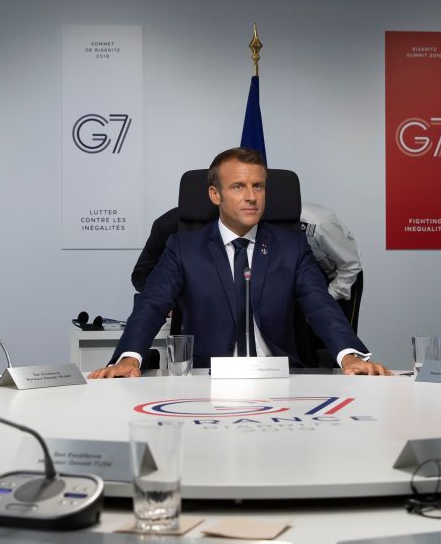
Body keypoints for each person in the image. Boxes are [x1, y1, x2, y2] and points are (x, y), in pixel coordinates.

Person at [91, 147, 389, 377]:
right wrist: (129, 358)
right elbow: (151, 305)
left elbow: (321, 306)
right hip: (206, 379)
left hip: (281, 380)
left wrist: (350, 356)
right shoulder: (184, 248)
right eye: (238, 187)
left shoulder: (291, 247)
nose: (251, 196)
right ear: (215, 194)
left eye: (258, 186)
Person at [131, 201, 363, 303]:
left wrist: (328, 298)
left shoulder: (314, 224)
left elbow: (349, 266)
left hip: (334, 276)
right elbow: (142, 277)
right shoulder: (170, 226)